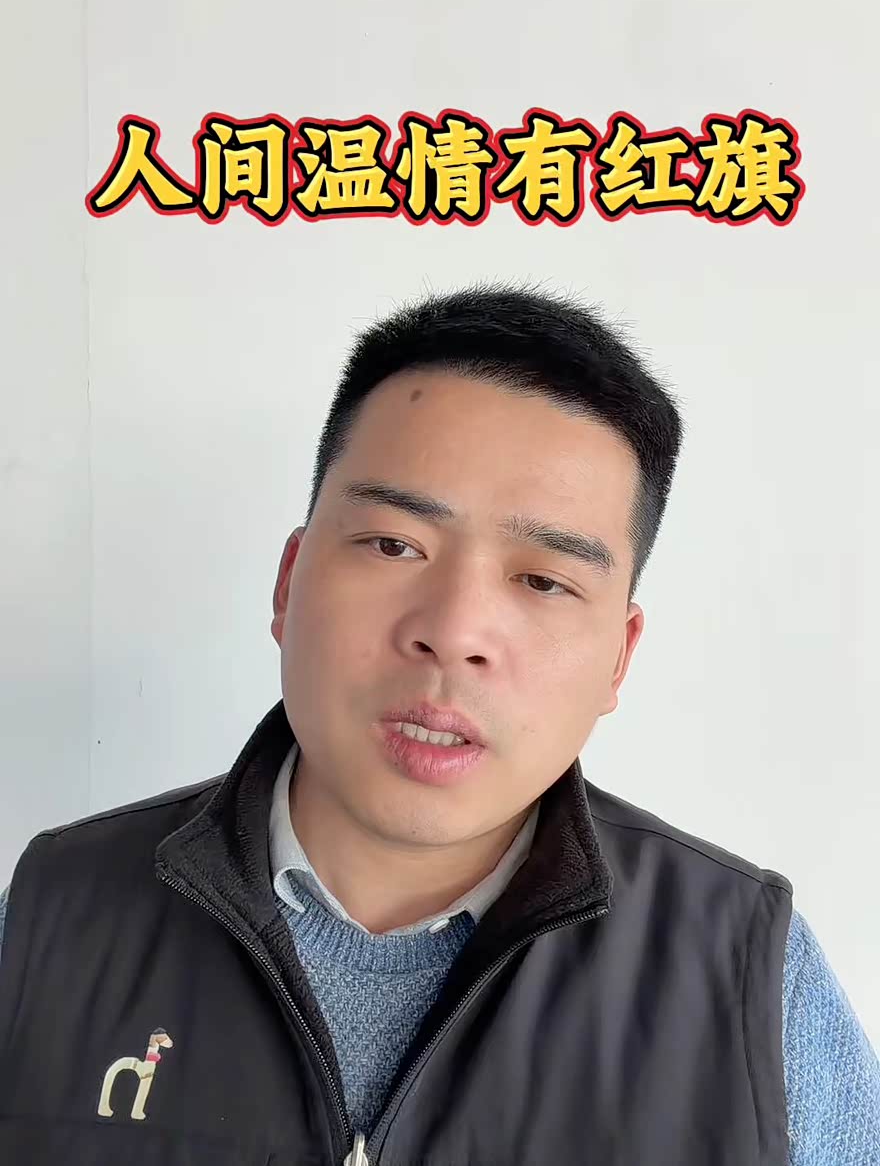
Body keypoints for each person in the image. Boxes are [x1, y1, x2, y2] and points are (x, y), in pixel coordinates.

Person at [0, 284, 876, 1165]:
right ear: (288, 582)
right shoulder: (48, 918)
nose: (454, 632)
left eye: (544, 581)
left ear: (619, 656)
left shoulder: (750, 978)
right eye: (393, 544)